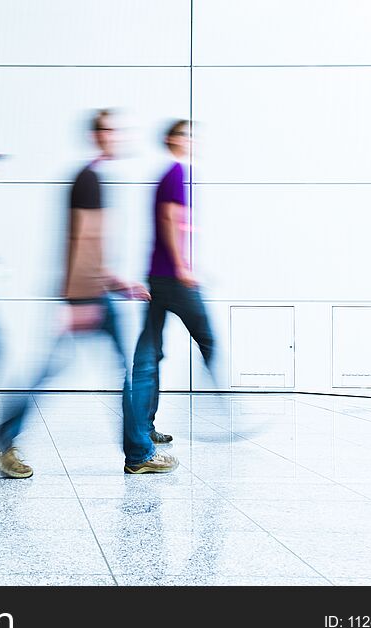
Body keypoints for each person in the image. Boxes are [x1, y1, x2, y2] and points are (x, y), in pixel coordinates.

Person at [0, 110, 179, 477]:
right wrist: (81, 299)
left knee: (86, 370)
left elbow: (87, 245)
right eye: (109, 130)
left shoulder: (91, 178)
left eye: (119, 130)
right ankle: (138, 454)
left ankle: (6, 438)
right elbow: (82, 241)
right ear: (97, 135)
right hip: (86, 296)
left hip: (92, 292)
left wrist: (117, 283)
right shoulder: (88, 179)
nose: (116, 136)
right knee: (118, 371)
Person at [132, 120, 215, 446]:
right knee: (207, 338)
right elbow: (170, 219)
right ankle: (222, 403)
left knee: (151, 352)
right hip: (171, 278)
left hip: (158, 275)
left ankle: (144, 426)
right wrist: (182, 267)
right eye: (186, 134)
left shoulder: (171, 174)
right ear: (171, 139)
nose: (192, 140)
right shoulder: (177, 173)